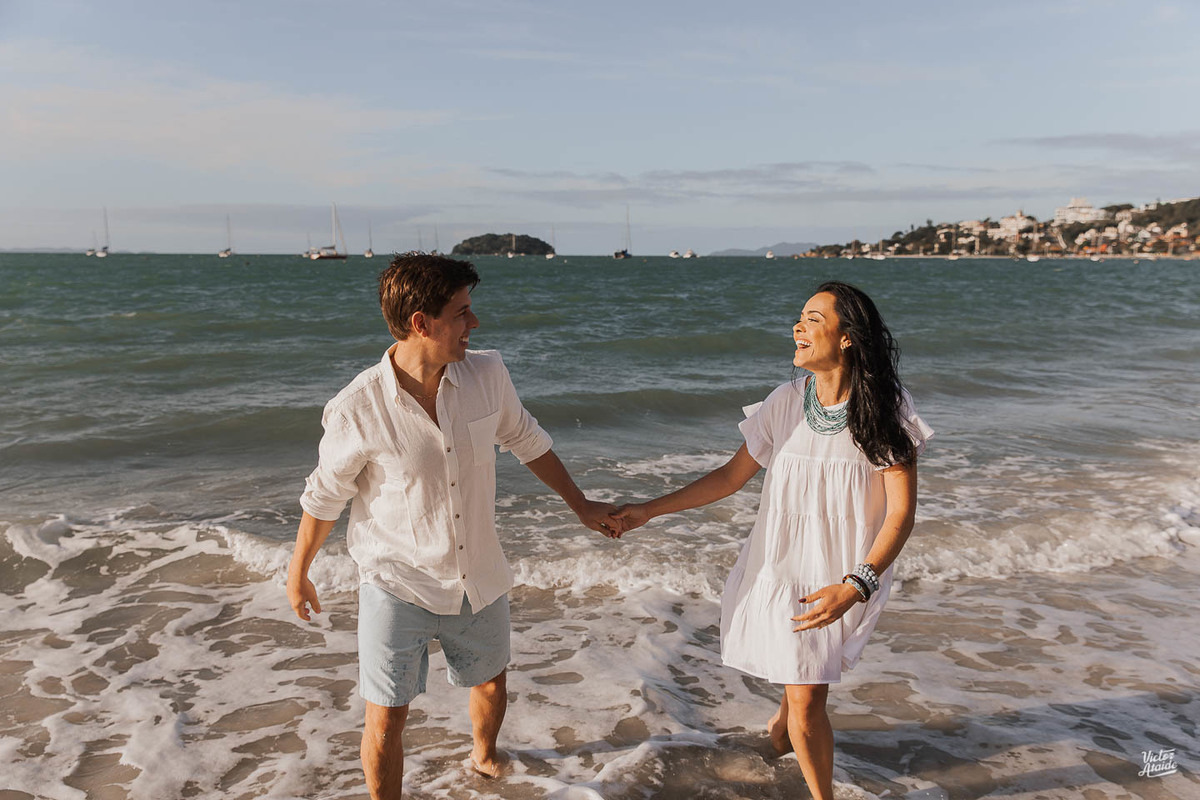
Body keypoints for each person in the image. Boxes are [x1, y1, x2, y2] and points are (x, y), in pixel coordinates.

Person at [286, 253, 618, 800]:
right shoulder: (357, 408)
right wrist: (299, 572)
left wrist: (580, 505)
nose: (475, 323)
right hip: (397, 581)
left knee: (490, 681)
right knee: (387, 717)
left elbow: (527, 440)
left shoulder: (487, 373)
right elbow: (324, 497)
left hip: (478, 573)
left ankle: (485, 759)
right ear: (422, 322)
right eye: (463, 312)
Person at [611, 281, 932, 800]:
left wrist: (857, 584)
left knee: (806, 700)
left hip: (841, 575)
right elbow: (728, 478)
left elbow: (901, 513)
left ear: (847, 337)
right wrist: (648, 510)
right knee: (800, 695)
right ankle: (780, 736)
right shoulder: (785, 403)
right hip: (779, 565)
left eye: (812, 319)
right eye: (798, 318)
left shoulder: (884, 410)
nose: (796, 328)